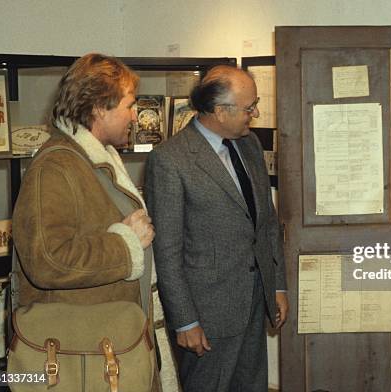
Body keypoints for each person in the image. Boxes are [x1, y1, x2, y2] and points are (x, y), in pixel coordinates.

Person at [11, 53, 161, 391]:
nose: (135, 115)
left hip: (104, 345)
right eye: (128, 105)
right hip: (77, 355)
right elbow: (47, 260)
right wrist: (125, 244)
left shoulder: (92, 160)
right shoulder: (55, 167)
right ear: (98, 108)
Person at [145, 65, 288, 391]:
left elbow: (266, 222)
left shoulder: (249, 144)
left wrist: (277, 286)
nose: (256, 112)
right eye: (249, 107)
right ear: (220, 111)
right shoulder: (170, 160)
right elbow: (167, 250)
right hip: (208, 315)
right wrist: (185, 320)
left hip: (254, 302)